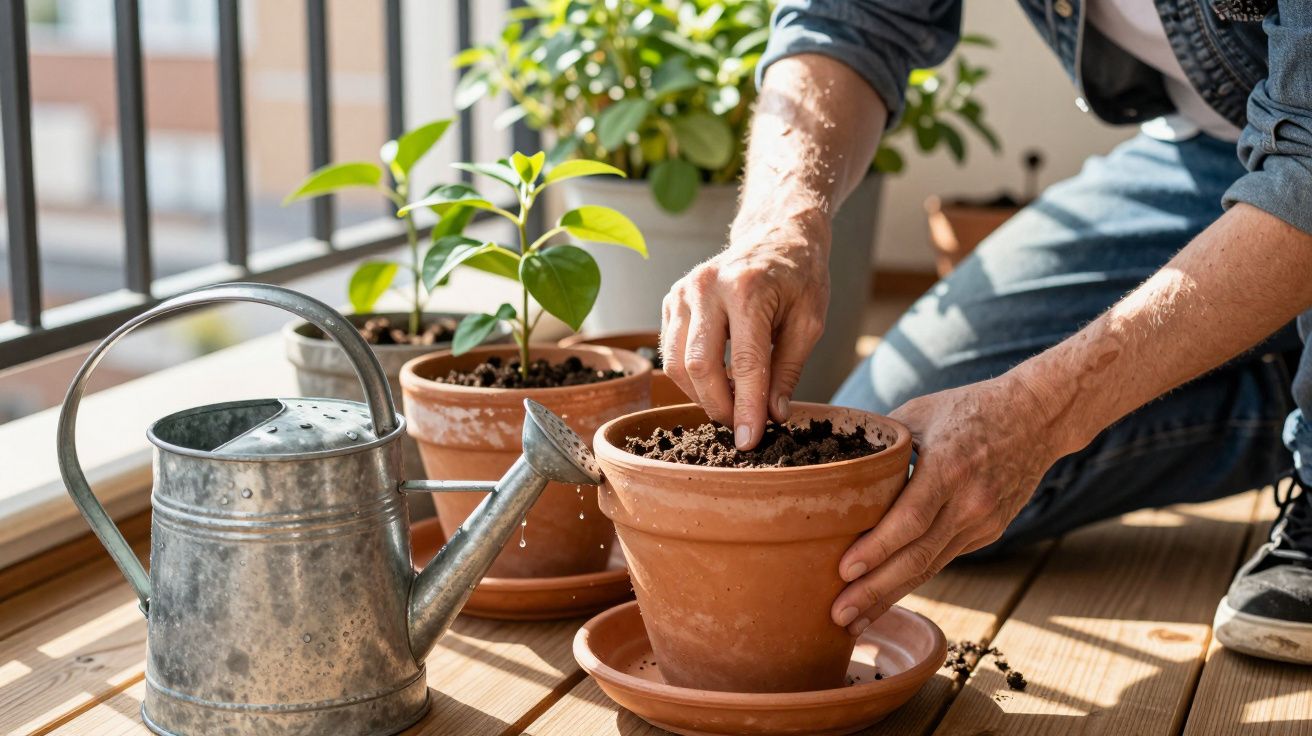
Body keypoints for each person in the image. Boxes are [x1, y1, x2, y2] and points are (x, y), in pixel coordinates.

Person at [658, 0, 1312, 664]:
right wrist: (781, 224)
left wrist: (1038, 413)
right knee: (910, 470)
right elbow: (848, 19)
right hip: (1211, 150)